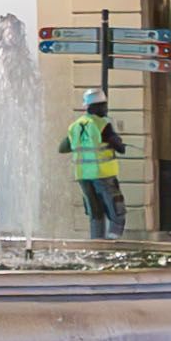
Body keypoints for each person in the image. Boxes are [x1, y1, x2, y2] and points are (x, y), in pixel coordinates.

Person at [66, 96, 129, 238]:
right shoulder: (102, 125)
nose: (106, 109)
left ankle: (96, 244)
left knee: (96, 213)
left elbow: (63, 147)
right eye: (104, 105)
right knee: (117, 212)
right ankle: (113, 243)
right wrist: (119, 143)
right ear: (97, 106)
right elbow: (120, 148)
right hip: (102, 174)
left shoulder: (75, 126)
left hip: (83, 176)